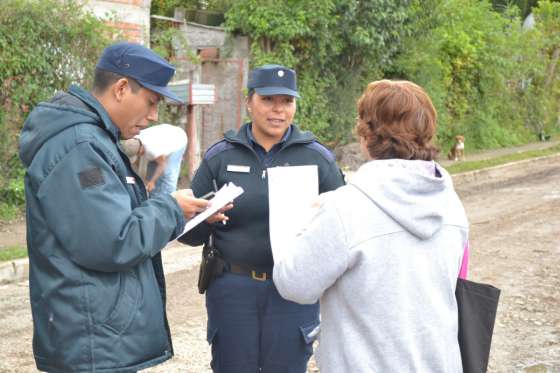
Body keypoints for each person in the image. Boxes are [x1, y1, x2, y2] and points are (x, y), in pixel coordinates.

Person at [19, 41, 221, 373]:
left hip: (97, 338)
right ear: (122, 88)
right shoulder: (80, 147)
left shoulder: (95, 140)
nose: (154, 116)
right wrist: (170, 208)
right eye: (151, 102)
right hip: (91, 345)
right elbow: (113, 241)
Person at [272, 80, 470, 372]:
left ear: (366, 133)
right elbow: (456, 280)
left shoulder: (344, 207)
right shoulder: (451, 204)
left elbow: (294, 284)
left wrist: (305, 223)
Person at [179, 64, 345, 372]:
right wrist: (206, 218)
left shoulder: (316, 159)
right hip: (232, 289)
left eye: (287, 101)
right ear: (249, 102)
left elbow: (345, 226)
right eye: (268, 100)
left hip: (293, 290)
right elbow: (188, 233)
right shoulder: (221, 157)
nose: (278, 110)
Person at [122, 123, 187, 195]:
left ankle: (168, 199)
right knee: (151, 171)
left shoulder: (152, 150)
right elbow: (135, 163)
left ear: (140, 149)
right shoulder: (133, 140)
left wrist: (152, 182)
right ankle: (153, 194)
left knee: (167, 174)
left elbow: (162, 165)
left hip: (178, 139)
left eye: (137, 154)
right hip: (163, 137)